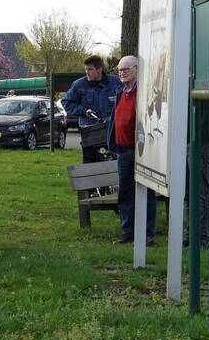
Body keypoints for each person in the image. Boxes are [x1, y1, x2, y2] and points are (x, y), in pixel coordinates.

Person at [107, 55, 156, 245]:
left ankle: (147, 234)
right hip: (123, 151)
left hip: (141, 150)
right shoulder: (121, 93)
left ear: (137, 70)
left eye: (126, 69)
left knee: (147, 192)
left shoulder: (144, 93)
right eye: (120, 70)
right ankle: (128, 231)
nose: (122, 73)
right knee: (125, 193)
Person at [61, 55, 123, 163]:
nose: (87, 72)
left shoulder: (115, 82)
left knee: (113, 163)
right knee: (90, 164)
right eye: (86, 69)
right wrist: (84, 111)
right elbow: (66, 103)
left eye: (90, 69)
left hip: (111, 131)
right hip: (89, 132)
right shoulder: (79, 85)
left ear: (99, 69)